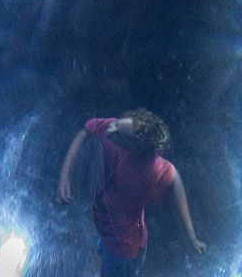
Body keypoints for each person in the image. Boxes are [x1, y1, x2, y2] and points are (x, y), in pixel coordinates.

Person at [57, 109, 205, 276]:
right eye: (117, 123)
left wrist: (192, 237)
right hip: (106, 227)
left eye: (118, 130)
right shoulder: (117, 129)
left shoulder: (151, 167)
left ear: (134, 148)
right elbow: (87, 130)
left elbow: (175, 181)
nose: (110, 128)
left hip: (125, 246)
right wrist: (64, 175)